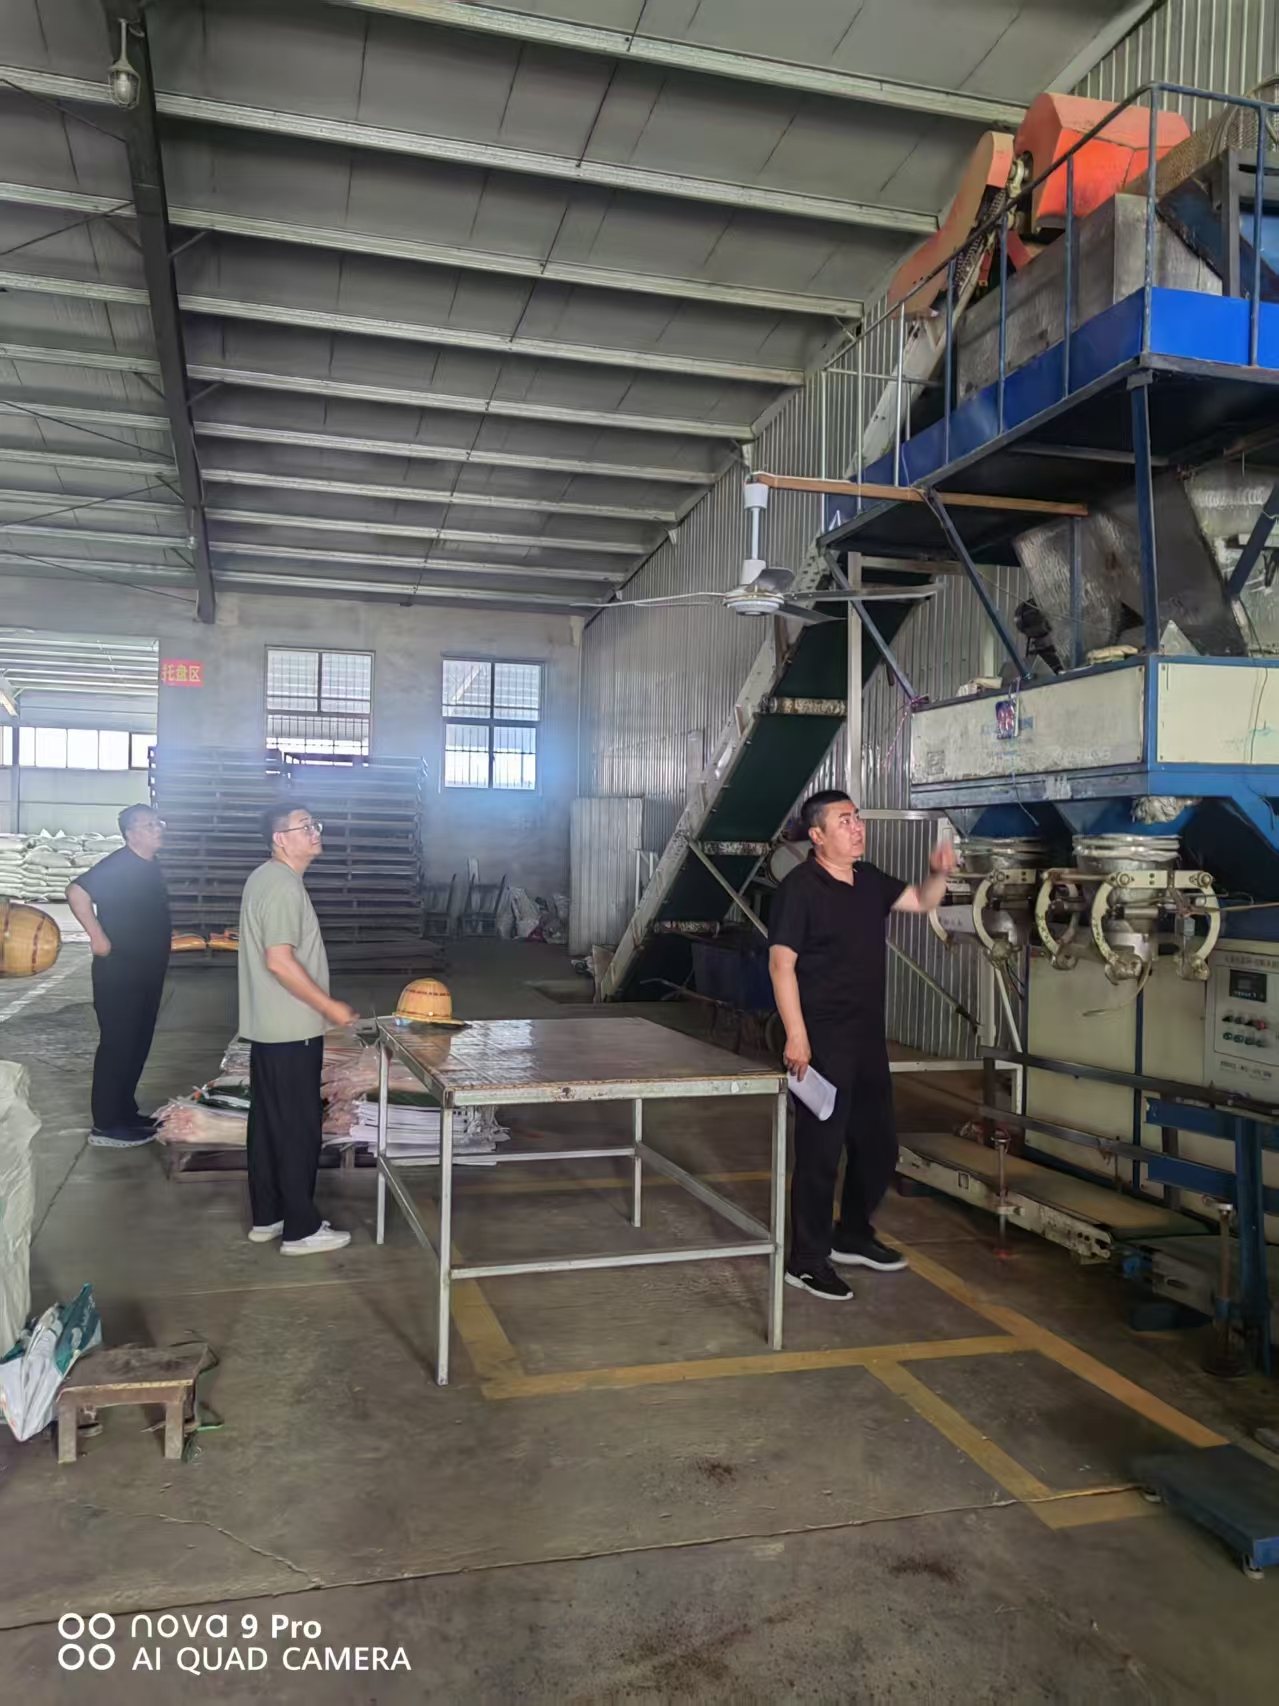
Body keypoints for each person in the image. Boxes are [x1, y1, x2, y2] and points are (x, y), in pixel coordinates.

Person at [768, 790, 956, 1301]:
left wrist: (938, 873)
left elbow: (921, 901)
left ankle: (851, 1232)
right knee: (820, 1152)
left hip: (867, 1035)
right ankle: (806, 1261)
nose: (857, 828)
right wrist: (796, 1035)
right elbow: (781, 965)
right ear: (817, 835)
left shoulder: (868, 879)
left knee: (878, 1145)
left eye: (857, 819)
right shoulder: (799, 889)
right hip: (821, 1039)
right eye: (844, 821)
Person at [239, 803, 358, 1255]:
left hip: (269, 1028)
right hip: (292, 1029)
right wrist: (329, 1007)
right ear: (279, 838)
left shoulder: (263, 878)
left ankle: (268, 1216)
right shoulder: (283, 886)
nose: (314, 832)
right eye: (304, 827)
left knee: (269, 1125)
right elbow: (280, 961)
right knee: (298, 1130)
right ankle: (301, 1230)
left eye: (314, 825)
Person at [66, 803, 170, 1149]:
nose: (158, 829)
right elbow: (76, 892)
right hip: (120, 973)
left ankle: (125, 1112)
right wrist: (98, 938)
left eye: (158, 823)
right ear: (130, 834)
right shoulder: (119, 864)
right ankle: (106, 1125)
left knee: (137, 1043)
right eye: (149, 825)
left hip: (145, 971)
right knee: (119, 1045)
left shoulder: (149, 864)